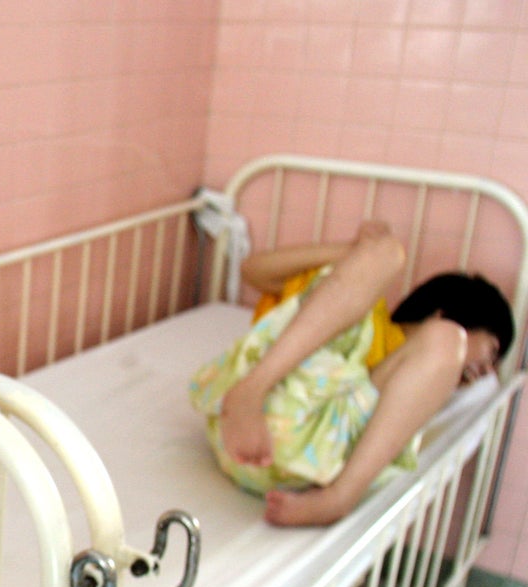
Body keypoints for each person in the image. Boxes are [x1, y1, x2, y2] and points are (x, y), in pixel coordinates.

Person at [189, 220, 514, 527]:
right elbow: (253, 270)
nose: (485, 373)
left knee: (398, 271)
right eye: (491, 352)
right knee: (388, 252)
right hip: (241, 419)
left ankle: (339, 498)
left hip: (305, 450)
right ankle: (251, 391)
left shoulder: (414, 379)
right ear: (444, 315)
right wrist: (358, 252)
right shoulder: (355, 304)